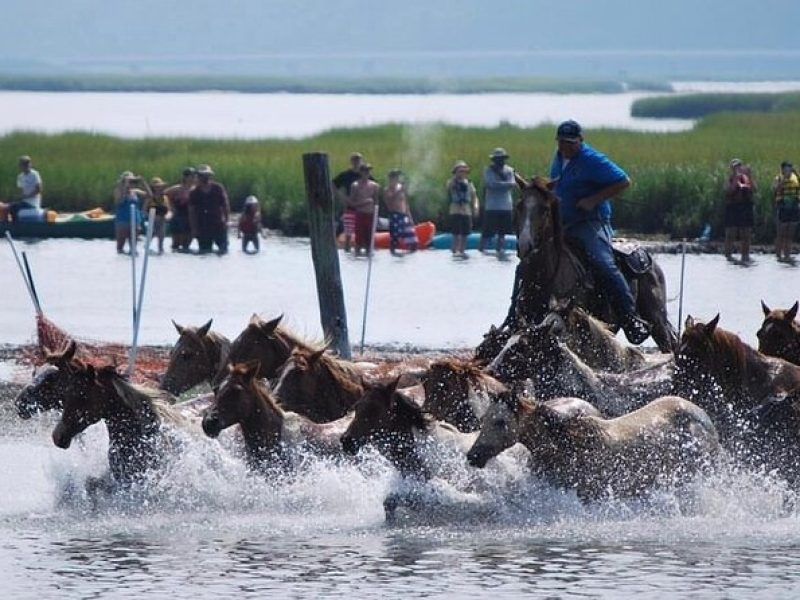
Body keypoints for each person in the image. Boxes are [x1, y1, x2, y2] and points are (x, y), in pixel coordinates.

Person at [548, 119, 650, 345]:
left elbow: (623, 180)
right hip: (563, 224)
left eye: (571, 143)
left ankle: (631, 318)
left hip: (591, 222)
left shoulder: (592, 160)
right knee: (534, 260)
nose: (566, 147)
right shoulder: (557, 160)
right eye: (562, 142)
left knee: (603, 263)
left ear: (580, 141)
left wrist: (593, 199)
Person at [480, 147, 515, 257]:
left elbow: (512, 183)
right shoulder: (488, 170)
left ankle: (500, 251)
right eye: (497, 158)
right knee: (486, 233)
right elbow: (490, 184)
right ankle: (481, 251)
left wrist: (499, 184)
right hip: (492, 207)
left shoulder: (509, 170)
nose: (499, 160)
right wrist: (504, 184)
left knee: (502, 233)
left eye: (501, 158)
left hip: (506, 206)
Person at [189, 164, 230, 255]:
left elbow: (225, 205)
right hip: (203, 226)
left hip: (218, 224)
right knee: (204, 252)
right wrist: (194, 229)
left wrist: (227, 221)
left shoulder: (218, 188)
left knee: (223, 250)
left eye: (207, 175)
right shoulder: (194, 192)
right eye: (203, 175)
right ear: (199, 176)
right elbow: (191, 211)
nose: (205, 177)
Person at [723, 158, 756, 263]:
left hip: (745, 207)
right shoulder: (729, 179)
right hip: (733, 207)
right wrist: (736, 179)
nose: (737, 168)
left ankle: (745, 256)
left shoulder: (747, 178)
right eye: (735, 167)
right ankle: (728, 256)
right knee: (730, 233)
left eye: (739, 166)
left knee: (746, 233)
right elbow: (729, 191)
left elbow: (754, 189)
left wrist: (749, 176)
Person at [332, 152, 365, 253]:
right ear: (351, 162)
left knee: (361, 234)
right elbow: (333, 184)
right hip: (349, 207)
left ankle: (358, 255)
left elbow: (374, 186)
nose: (356, 162)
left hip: (362, 208)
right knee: (348, 232)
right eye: (354, 160)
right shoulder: (346, 175)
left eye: (358, 160)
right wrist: (341, 197)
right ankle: (346, 252)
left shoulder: (364, 174)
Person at [446, 160, 479, 259]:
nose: (462, 173)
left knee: (465, 234)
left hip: (466, 210)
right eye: (460, 171)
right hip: (455, 210)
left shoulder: (469, 183)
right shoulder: (452, 182)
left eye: (464, 171)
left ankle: (462, 251)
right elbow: (449, 188)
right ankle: (454, 251)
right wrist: (456, 178)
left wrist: (476, 208)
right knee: (456, 234)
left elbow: (474, 196)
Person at [113, 171, 151, 254]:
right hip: (122, 221)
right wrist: (125, 186)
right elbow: (119, 202)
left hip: (135, 221)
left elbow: (149, 195)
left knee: (133, 249)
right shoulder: (118, 191)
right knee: (120, 248)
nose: (130, 183)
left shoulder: (135, 191)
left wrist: (143, 182)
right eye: (128, 181)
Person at [347, 163, 380, 256]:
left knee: (369, 241)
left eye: (368, 171)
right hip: (360, 214)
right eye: (365, 171)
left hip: (371, 215)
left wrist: (376, 216)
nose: (367, 173)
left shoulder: (375, 186)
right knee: (359, 240)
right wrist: (364, 202)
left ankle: (368, 256)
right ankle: (357, 256)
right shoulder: (355, 185)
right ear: (361, 172)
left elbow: (376, 203)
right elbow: (351, 203)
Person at [383, 169, 418, 256]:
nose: (396, 179)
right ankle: (393, 255)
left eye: (397, 177)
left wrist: (410, 217)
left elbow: (405, 203)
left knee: (412, 240)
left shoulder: (401, 188)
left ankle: (409, 256)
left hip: (404, 215)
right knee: (395, 239)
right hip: (394, 215)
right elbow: (389, 200)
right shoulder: (387, 189)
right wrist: (399, 191)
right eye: (394, 177)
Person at [772, 161, 800, 262]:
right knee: (781, 233)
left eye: (790, 168)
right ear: (782, 169)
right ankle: (778, 256)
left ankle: (787, 255)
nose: (788, 170)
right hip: (783, 207)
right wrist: (783, 180)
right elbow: (775, 189)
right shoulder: (778, 178)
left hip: (793, 207)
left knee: (790, 234)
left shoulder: (796, 178)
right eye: (786, 168)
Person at [165, 167, 196, 252]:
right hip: (178, 217)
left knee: (186, 244)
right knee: (176, 244)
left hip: (190, 218)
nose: (193, 178)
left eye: (194, 176)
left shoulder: (195, 189)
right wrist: (170, 207)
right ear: (185, 177)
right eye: (191, 176)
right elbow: (163, 195)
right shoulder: (177, 188)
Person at [10, 155, 43, 221]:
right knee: (11, 206)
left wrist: (27, 196)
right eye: (24, 164)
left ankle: (16, 227)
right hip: (24, 202)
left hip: (33, 203)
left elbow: (39, 189)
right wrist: (20, 197)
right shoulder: (20, 177)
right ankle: (16, 224)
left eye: (27, 163)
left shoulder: (35, 174)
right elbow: (21, 191)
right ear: (21, 165)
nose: (26, 165)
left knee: (14, 207)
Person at [143, 176, 171, 254]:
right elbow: (144, 211)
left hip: (162, 221)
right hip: (151, 222)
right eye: (156, 187)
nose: (158, 188)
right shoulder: (150, 198)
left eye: (160, 187)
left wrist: (168, 216)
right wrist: (151, 217)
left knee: (161, 243)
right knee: (149, 240)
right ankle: (146, 251)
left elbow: (169, 210)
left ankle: (160, 253)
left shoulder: (165, 198)